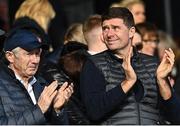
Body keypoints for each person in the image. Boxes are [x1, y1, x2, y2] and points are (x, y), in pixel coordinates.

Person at [80, 7, 179, 124]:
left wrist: (162, 81)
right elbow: (94, 111)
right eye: (105, 28)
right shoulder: (93, 64)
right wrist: (128, 82)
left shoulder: (153, 64)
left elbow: (175, 117)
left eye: (116, 28)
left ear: (131, 32)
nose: (109, 34)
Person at [0, 29, 73, 125]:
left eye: (37, 53)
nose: (35, 60)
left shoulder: (42, 84)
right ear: (10, 56)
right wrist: (39, 110)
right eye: (29, 54)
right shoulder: (2, 86)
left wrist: (57, 110)